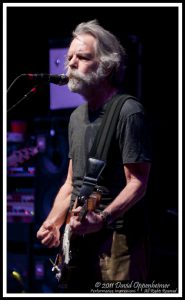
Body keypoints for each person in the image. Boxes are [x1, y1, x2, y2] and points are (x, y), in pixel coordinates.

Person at [37, 19, 152, 293]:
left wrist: (102, 218)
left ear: (106, 65)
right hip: (78, 239)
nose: (71, 64)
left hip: (117, 239)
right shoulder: (76, 117)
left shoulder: (128, 111)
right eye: (69, 58)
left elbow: (138, 183)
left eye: (82, 57)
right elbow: (70, 183)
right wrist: (53, 222)